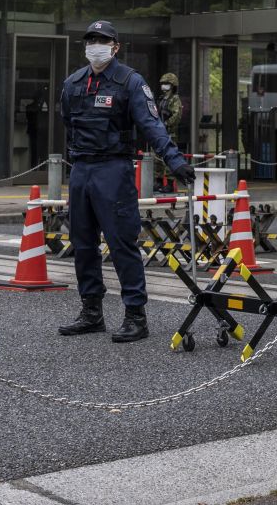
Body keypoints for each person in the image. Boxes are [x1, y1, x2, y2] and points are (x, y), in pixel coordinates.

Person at [57, 21, 194, 343]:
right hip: (81, 169)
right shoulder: (73, 82)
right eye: (91, 39)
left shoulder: (130, 81)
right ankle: (91, 312)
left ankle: (136, 316)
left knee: (121, 243)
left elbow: (151, 124)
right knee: (83, 243)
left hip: (113, 169)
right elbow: (67, 122)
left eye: (103, 40)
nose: (96, 45)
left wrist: (174, 159)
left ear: (115, 46)